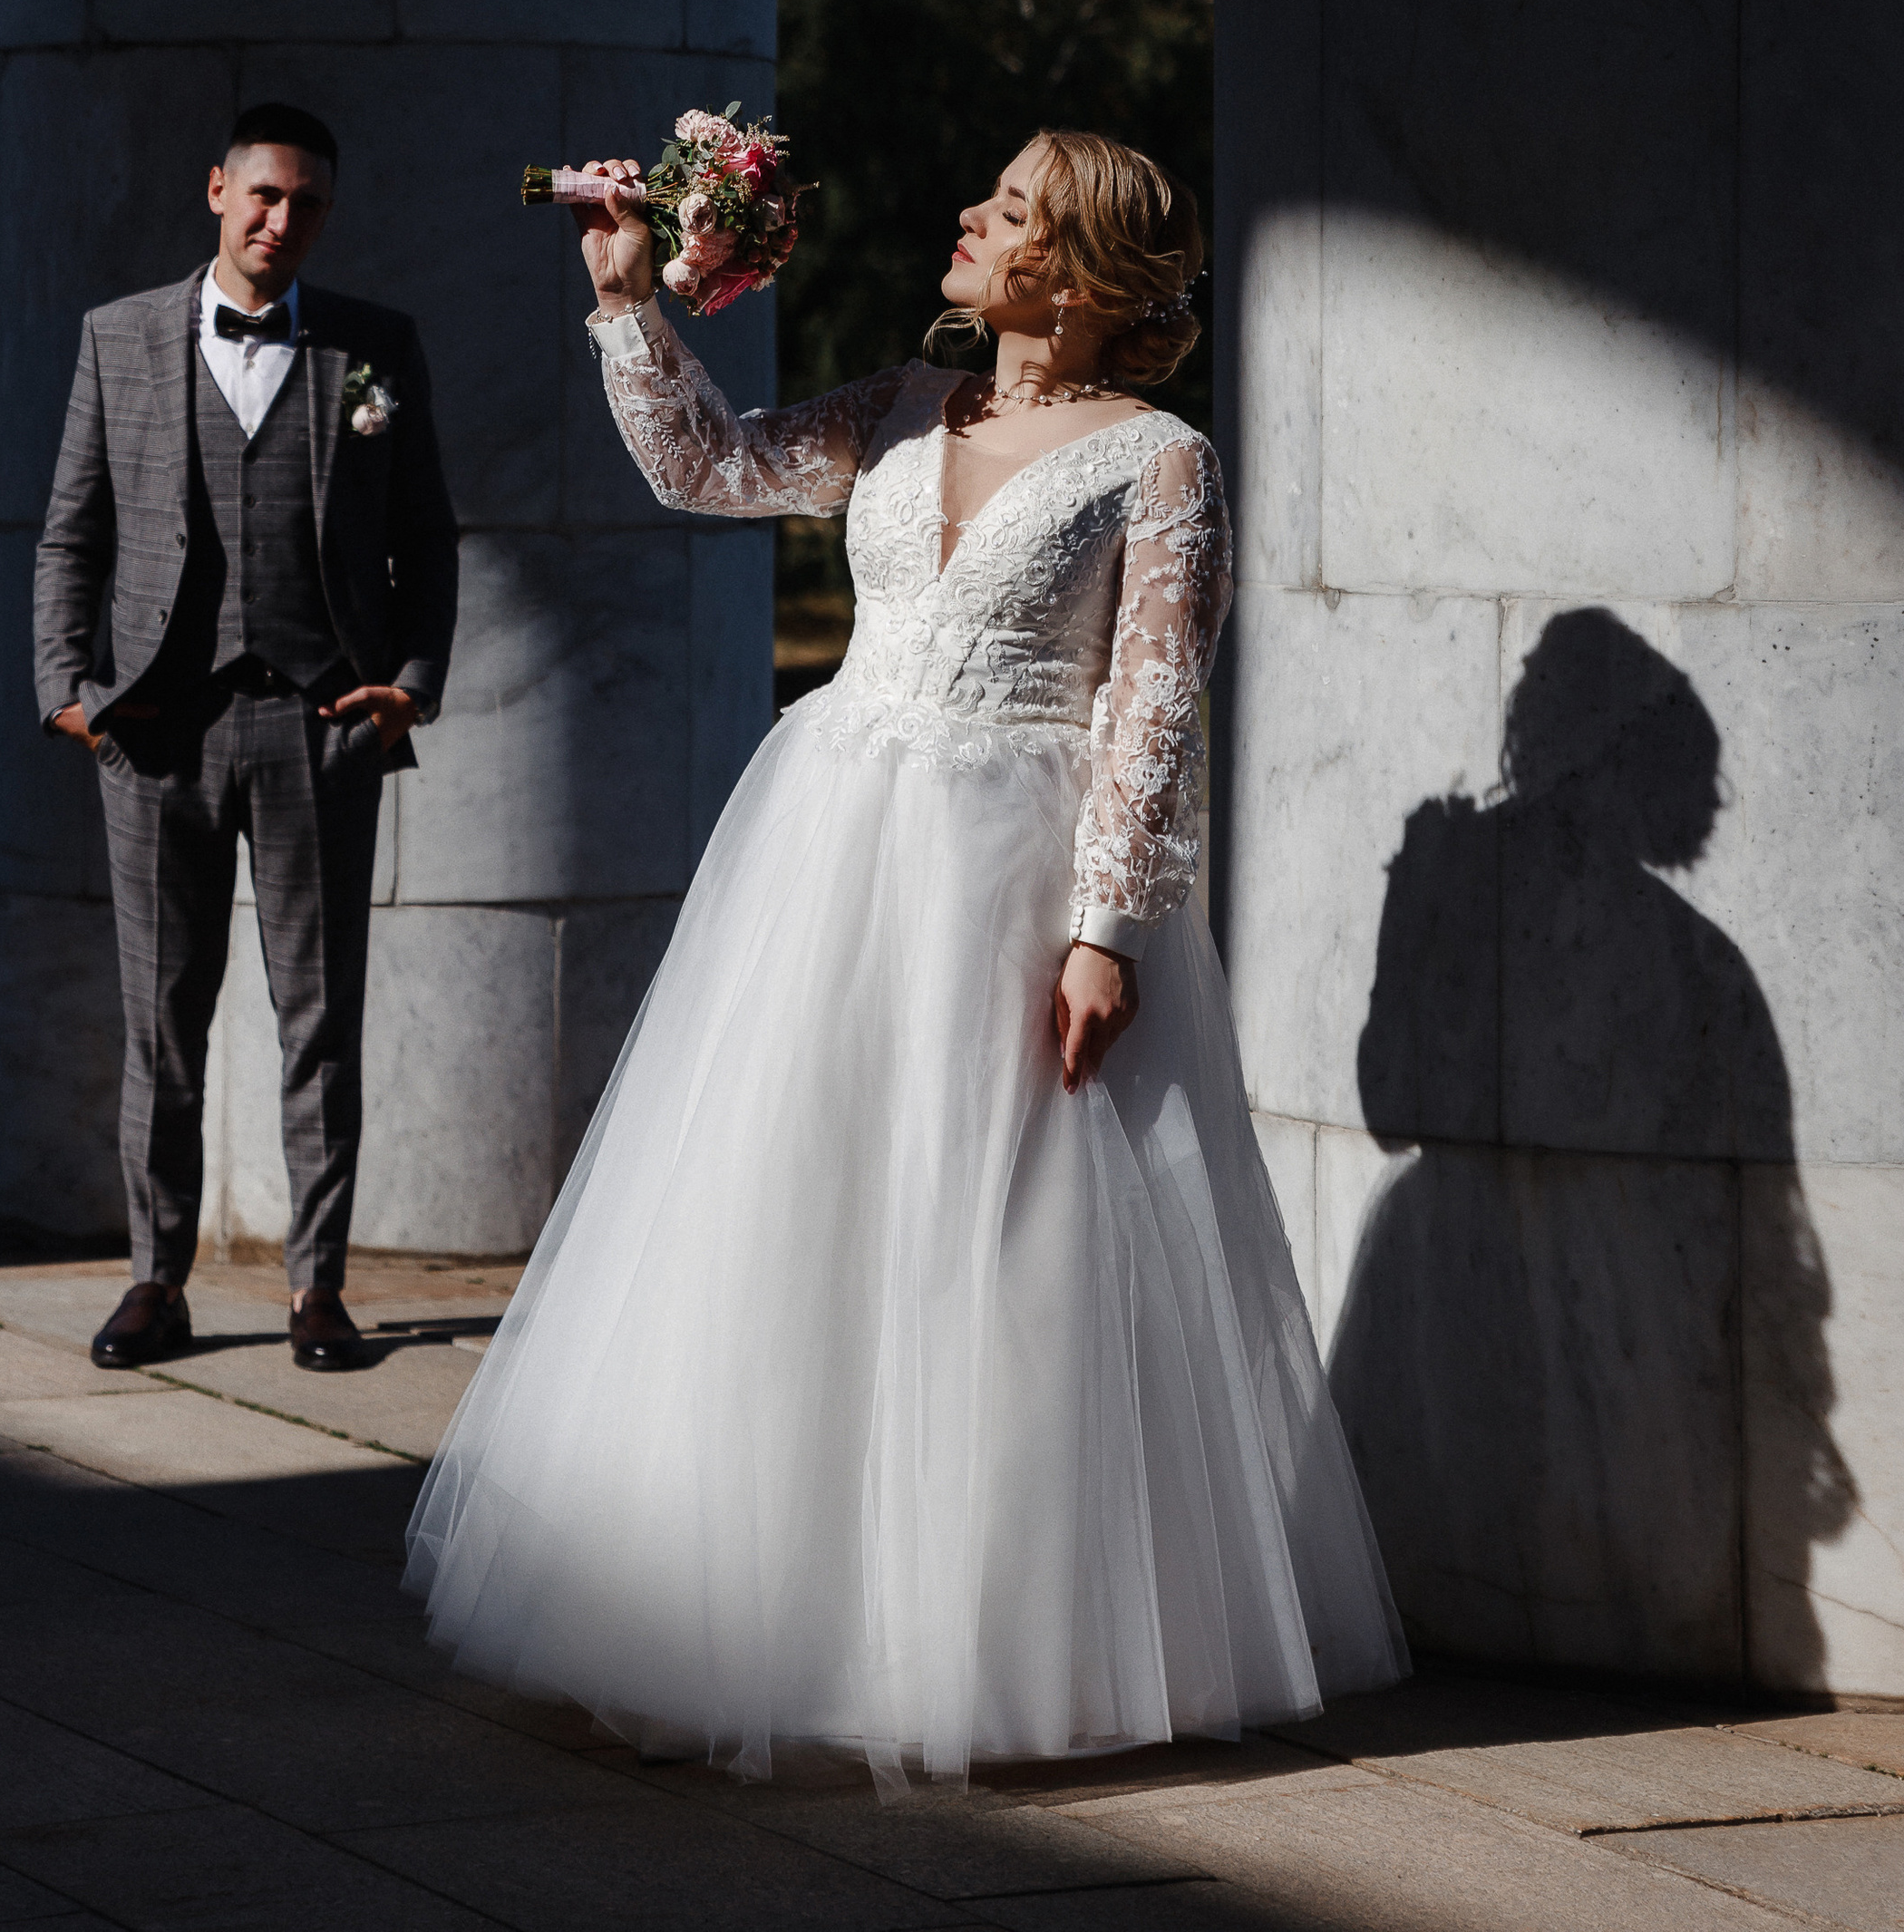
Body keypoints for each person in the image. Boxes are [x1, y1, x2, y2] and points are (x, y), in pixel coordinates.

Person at [404, 128, 1403, 1781]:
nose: (966, 215)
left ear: (1073, 275)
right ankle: (760, 1608)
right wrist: (625, 304)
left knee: (999, 1234)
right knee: (798, 1200)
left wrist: (1109, 932)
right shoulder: (889, 405)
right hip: (835, 836)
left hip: (1011, 868)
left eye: (1006, 209)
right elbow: (706, 472)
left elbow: (1152, 707)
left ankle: (993, 1634)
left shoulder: (1163, 461)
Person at [33, 102, 457, 1375]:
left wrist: (412, 683)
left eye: (307, 204)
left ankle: (315, 1289)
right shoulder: (119, 337)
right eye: (264, 196)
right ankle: (155, 1282)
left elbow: (427, 537)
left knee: (319, 1022)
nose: (283, 222)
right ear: (217, 190)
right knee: (161, 1019)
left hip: (319, 725)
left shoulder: (375, 348)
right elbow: (71, 530)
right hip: (156, 732)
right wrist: (67, 683)